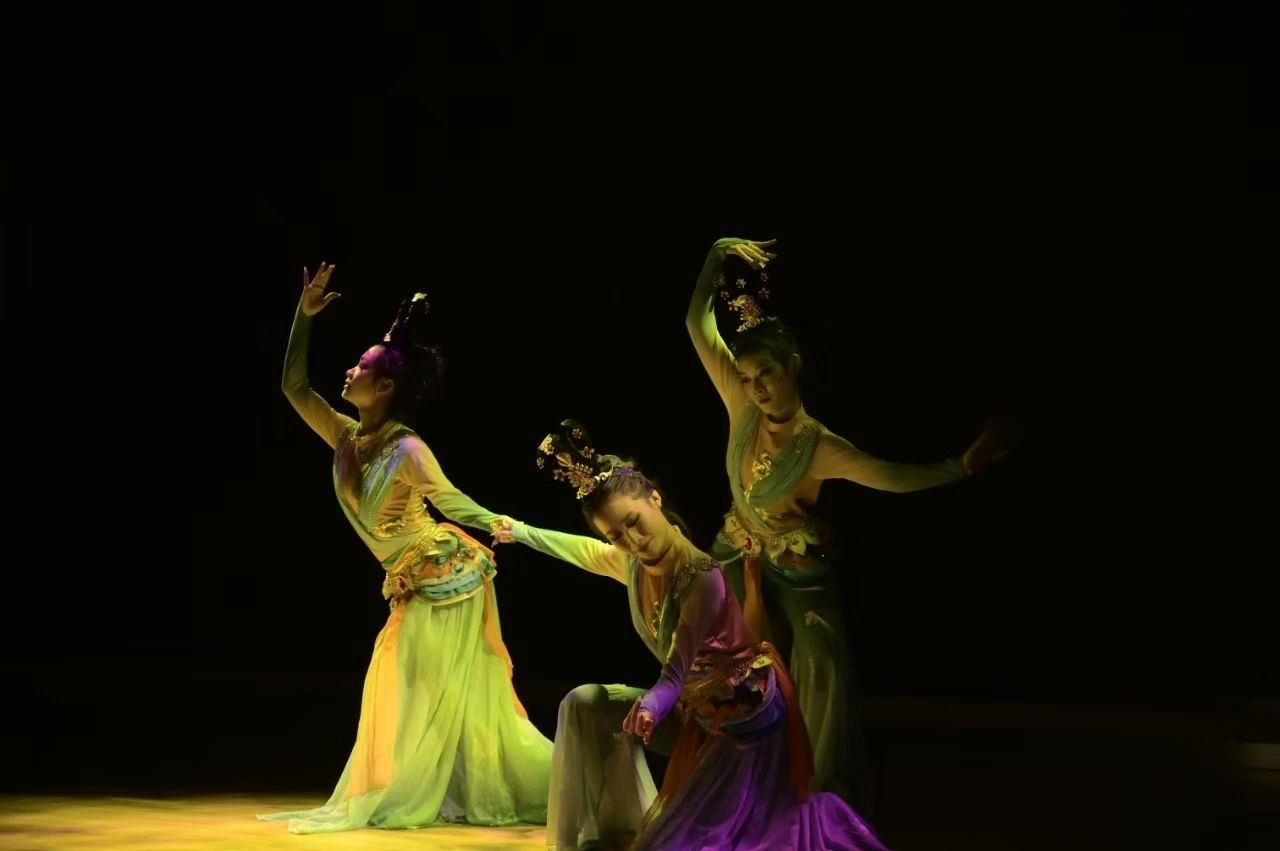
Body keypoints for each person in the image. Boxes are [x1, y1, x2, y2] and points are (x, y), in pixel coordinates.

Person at [687, 237, 1009, 807]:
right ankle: (727, 779)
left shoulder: (819, 445)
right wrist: (716, 255)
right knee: (714, 645)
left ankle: (816, 788)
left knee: (822, 662)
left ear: (793, 366)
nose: (756, 387)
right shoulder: (740, 404)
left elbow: (889, 476)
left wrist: (957, 467)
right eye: (748, 376)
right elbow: (697, 323)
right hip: (737, 549)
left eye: (766, 373)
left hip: (794, 567)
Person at [492, 421, 891, 850]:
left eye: (634, 523)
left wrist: (651, 705)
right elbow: (580, 550)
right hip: (697, 714)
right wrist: (519, 532)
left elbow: (676, 669)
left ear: (655, 499)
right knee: (584, 702)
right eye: (616, 536)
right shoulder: (634, 564)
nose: (633, 541)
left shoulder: (700, 576)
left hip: (744, 726)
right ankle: (593, 835)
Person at [259, 262, 551, 833]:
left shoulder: (407, 449)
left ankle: (415, 791)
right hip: (410, 577)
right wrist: (304, 315)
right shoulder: (345, 436)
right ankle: (434, 788)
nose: (350, 370)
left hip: (444, 575)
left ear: (385, 387)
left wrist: (505, 525)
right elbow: (293, 387)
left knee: (409, 680)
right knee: (415, 684)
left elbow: (450, 500)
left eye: (361, 366)